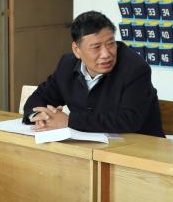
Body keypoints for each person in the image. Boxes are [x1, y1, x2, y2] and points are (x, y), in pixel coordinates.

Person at [22, 11, 163, 137]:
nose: (106, 54)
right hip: (88, 147)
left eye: (111, 44)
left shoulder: (135, 68)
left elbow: (129, 120)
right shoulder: (67, 65)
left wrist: (69, 121)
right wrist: (41, 116)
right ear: (76, 50)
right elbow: (39, 97)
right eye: (96, 47)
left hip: (138, 148)